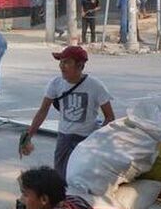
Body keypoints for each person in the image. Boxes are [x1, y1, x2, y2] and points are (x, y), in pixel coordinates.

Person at [22, 45, 115, 179]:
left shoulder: (96, 86)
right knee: (60, 178)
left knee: (81, 178)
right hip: (64, 139)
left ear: (80, 65)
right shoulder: (56, 84)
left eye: (66, 62)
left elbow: (110, 117)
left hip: (86, 140)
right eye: (61, 62)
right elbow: (42, 111)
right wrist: (28, 136)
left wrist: (97, 139)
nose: (61, 66)